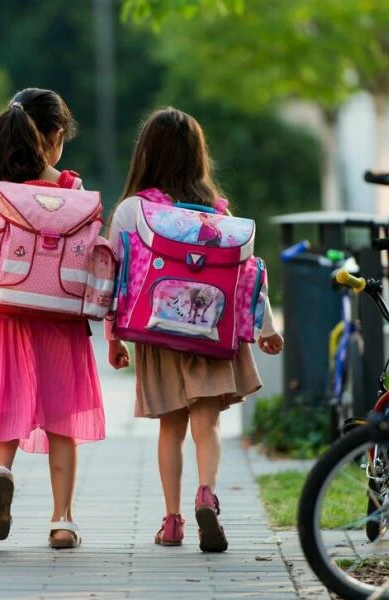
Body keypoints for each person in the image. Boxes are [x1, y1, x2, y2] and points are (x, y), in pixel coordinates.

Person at [105, 107, 284, 552]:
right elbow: (246, 279)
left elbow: (114, 275)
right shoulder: (218, 214)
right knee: (208, 427)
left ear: (145, 154)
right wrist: (267, 327)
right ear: (197, 157)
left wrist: (113, 336)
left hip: (157, 331)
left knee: (170, 429)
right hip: (210, 332)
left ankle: (172, 521)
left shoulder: (133, 211)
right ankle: (207, 491)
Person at [0, 88, 105, 549]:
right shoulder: (71, 188)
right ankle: (62, 520)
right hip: (59, 316)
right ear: (54, 136)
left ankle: (1, 472)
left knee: (4, 400)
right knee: (62, 417)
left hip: (1, 312)